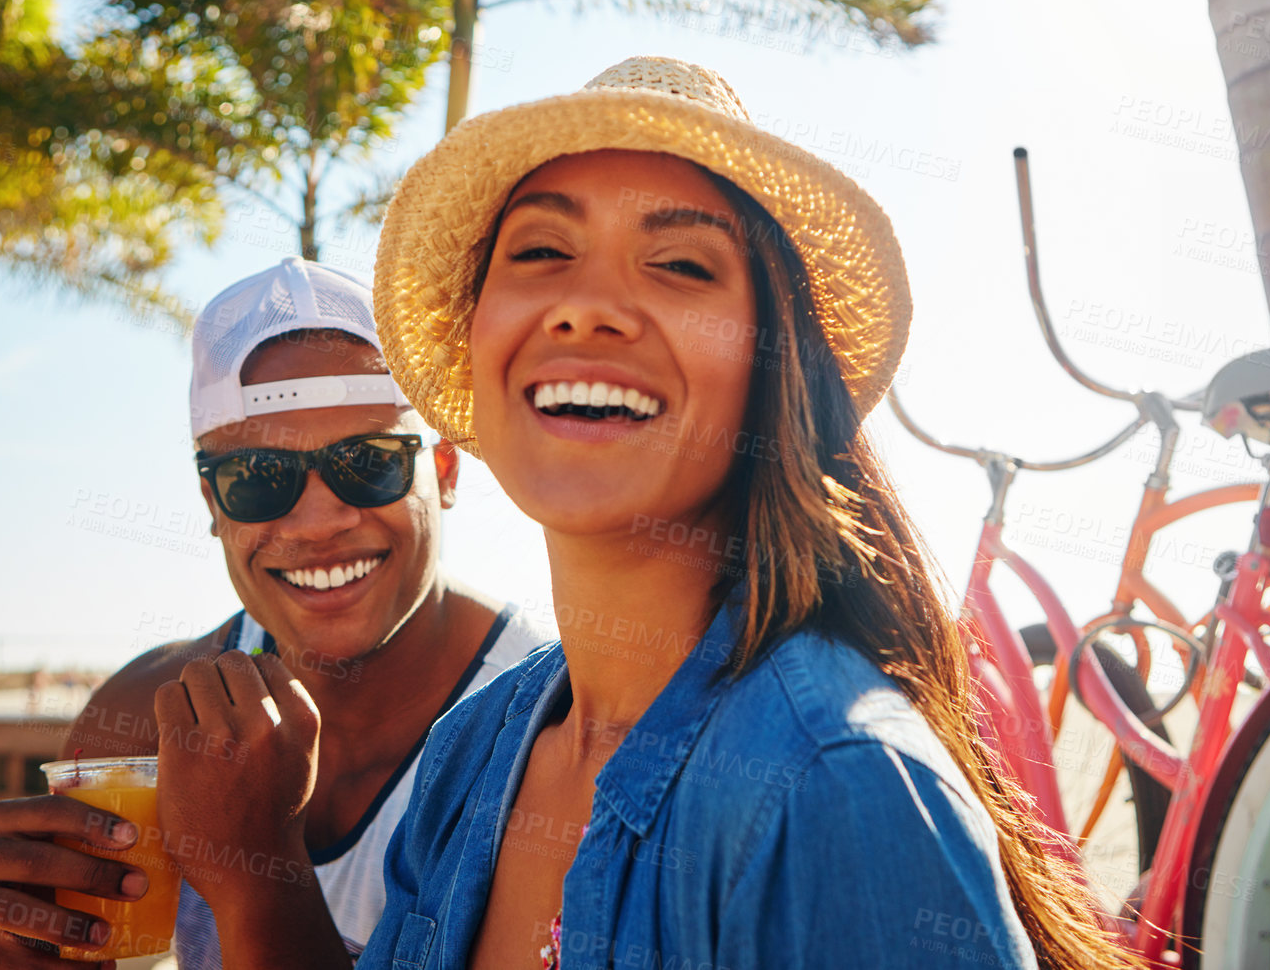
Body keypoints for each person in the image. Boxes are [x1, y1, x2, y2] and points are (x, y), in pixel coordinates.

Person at [354, 57, 1130, 968]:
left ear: (774, 367)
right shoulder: (470, 754)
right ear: (478, 331)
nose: (589, 308)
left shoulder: (837, 786)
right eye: (540, 253)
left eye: (681, 265)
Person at [0, 258, 548, 969]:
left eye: (367, 462)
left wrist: (254, 863)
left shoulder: (550, 735)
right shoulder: (151, 718)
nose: (316, 523)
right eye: (257, 479)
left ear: (445, 471)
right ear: (213, 505)